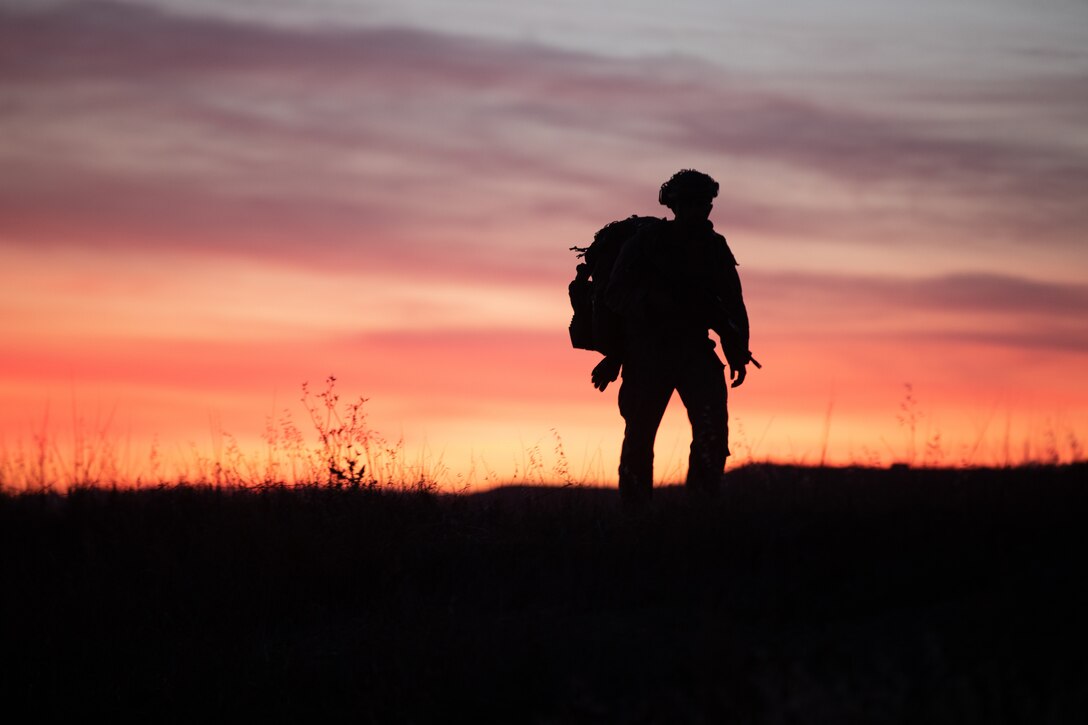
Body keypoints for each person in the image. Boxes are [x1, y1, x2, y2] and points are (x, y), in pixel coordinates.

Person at [592, 169, 751, 506]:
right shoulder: (645, 243)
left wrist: (738, 349)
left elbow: (732, 304)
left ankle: (701, 513)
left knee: (712, 433)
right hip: (648, 354)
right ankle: (636, 519)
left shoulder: (714, 247)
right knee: (639, 438)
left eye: (704, 204)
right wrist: (652, 306)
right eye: (691, 203)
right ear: (675, 204)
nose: (699, 210)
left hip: (695, 351)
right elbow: (614, 293)